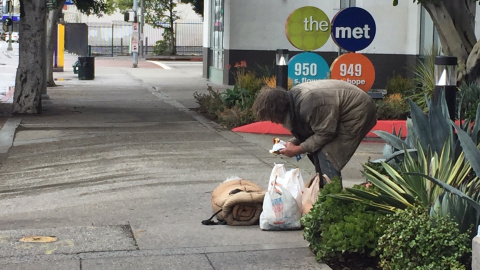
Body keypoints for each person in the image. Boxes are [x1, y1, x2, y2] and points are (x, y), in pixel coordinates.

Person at [252, 79, 377, 186]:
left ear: (277, 111)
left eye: (271, 118)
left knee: (328, 153)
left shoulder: (310, 104)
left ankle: (333, 198)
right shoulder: (294, 99)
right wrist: (292, 143)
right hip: (341, 106)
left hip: (358, 110)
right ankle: (322, 190)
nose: (273, 122)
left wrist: (297, 149)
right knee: (317, 149)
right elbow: (311, 129)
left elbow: (325, 133)